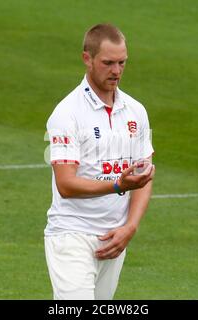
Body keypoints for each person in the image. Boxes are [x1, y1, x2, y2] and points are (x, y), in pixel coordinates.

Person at [44, 23, 155, 300]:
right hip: (72, 235)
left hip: (114, 238)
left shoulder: (136, 111)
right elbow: (66, 185)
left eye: (122, 63)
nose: (116, 71)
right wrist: (118, 184)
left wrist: (130, 227)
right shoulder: (67, 114)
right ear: (87, 59)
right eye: (107, 63)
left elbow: (143, 176)